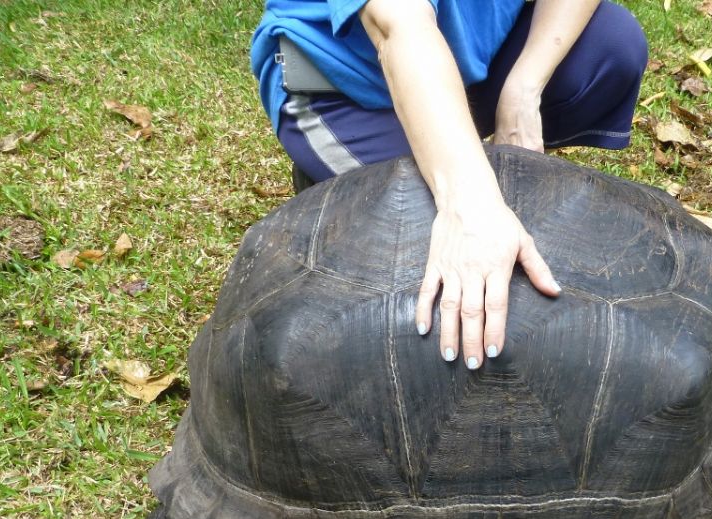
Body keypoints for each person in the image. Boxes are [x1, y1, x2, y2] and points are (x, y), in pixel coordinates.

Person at [251, 1, 648, 370]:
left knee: (611, 46)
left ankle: (456, 139)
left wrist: (524, 88)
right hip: (345, 82)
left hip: (466, 62)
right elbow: (398, 27)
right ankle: (342, 181)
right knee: (427, 259)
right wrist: (468, 206)